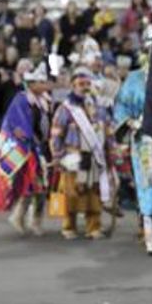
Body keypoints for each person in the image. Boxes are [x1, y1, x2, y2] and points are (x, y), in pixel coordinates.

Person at [113, 53, 152, 254]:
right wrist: (130, 122)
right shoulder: (134, 79)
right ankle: (151, 240)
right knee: (148, 185)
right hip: (144, 140)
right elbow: (121, 106)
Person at [49, 66, 116, 240]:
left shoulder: (99, 107)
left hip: (94, 156)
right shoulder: (65, 108)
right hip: (73, 157)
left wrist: (112, 151)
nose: (85, 86)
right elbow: (56, 133)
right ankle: (68, 225)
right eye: (81, 83)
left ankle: (93, 226)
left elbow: (108, 130)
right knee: (71, 193)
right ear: (73, 85)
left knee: (94, 193)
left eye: (88, 83)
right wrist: (58, 156)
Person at [0, 63, 52, 235]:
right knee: (31, 186)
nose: (44, 84)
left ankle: (35, 220)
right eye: (40, 82)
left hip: (40, 147)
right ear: (31, 84)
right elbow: (16, 124)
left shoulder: (44, 101)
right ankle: (20, 217)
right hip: (26, 149)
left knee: (40, 188)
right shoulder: (21, 100)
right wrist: (29, 140)